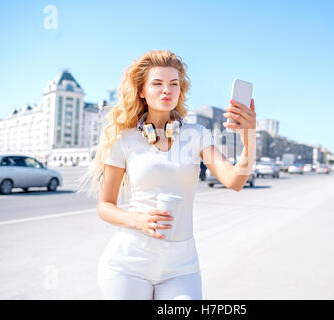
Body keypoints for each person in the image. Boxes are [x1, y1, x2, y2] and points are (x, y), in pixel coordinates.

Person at [78, 49, 256, 300]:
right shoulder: (124, 140)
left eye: (174, 84)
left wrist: (249, 136)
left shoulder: (197, 135)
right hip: (129, 264)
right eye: (158, 83)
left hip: (181, 267)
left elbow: (235, 181)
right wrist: (138, 220)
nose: (167, 90)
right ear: (141, 90)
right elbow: (105, 206)